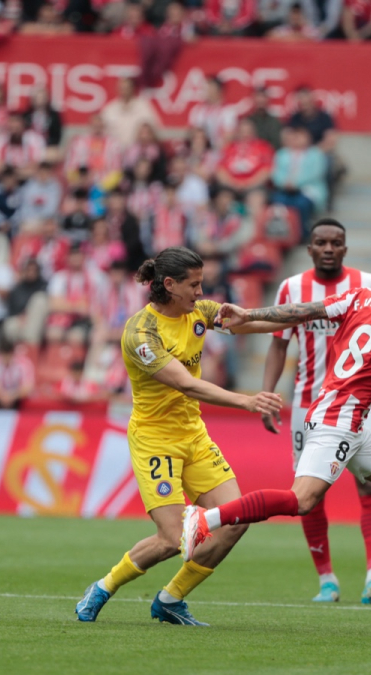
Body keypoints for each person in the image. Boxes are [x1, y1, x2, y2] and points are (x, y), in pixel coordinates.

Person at [182, 253, 371, 611]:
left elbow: (301, 312)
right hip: (339, 421)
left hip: (345, 416)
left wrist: (249, 314)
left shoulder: (364, 296)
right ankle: (204, 519)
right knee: (302, 500)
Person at [74, 247, 283, 626]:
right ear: (169, 285)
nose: (201, 293)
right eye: (194, 285)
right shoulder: (141, 333)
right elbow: (188, 384)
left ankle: (171, 599)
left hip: (194, 436)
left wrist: (305, 317)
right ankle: (104, 586)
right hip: (156, 439)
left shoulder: (198, 313)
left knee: (236, 520)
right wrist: (247, 401)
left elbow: (251, 323)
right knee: (172, 539)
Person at [260, 218, 371, 603]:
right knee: (309, 494)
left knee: (370, 482)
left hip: (360, 401)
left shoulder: (369, 284)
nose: (328, 249)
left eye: (336, 243)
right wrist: (267, 393)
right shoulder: (292, 287)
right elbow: (277, 345)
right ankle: (327, 581)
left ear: (346, 248)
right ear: (309, 248)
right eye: (321, 242)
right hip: (308, 406)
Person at [100, 77, 160, 149]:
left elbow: (154, 128)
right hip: (114, 152)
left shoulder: (143, 107)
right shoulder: (110, 109)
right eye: (122, 88)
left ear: (133, 89)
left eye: (126, 88)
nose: (124, 91)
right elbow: (100, 131)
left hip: (138, 153)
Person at [0, 339, 34, 409]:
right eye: (4, 355)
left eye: (9, 356)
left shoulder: (25, 363)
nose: (6, 359)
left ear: (13, 353)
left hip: (17, 397)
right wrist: (3, 397)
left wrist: (11, 397)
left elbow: (27, 387)